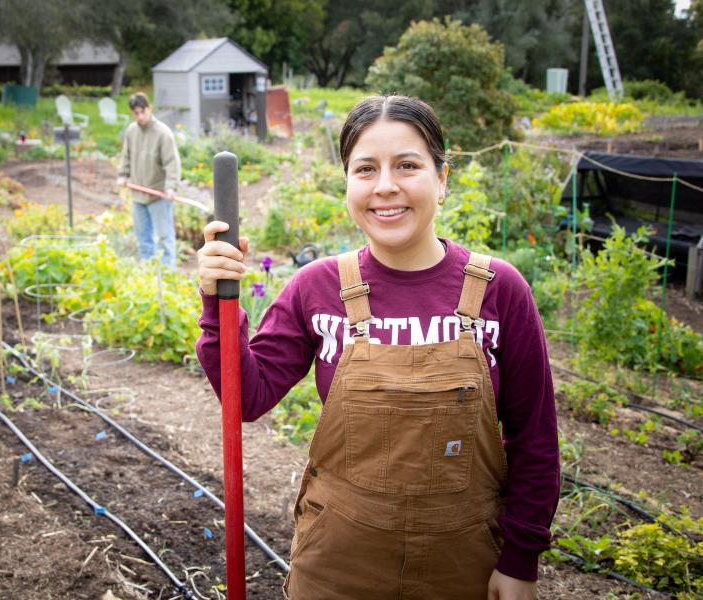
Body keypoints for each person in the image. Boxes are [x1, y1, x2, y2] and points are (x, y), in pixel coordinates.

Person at [195, 95, 559, 600]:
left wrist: (521, 560)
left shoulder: (500, 289)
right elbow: (247, 398)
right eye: (365, 169)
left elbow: (535, 438)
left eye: (407, 165)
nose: (385, 186)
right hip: (338, 566)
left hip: (466, 564)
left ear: (442, 178)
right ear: (348, 183)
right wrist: (219, 306)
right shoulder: (315, 287)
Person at [117, 92, 181, 268]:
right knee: (143, 239)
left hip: (158, 195)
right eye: (135, 113)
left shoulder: (163, 134)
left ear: (149, 108)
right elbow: (126, 157)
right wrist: (123, 175)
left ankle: (168, 275)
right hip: (138, 194)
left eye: (142, 112)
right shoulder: (131, 131)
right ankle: (149, 274)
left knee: (164, 239)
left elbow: (172, 163)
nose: (139, 116)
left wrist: (171, 188)